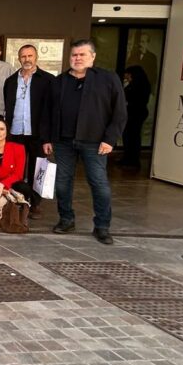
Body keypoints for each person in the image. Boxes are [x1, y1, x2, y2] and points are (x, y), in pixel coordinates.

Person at [42, 39, 128, 245]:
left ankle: (102, 226)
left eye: (82, 55)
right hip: (63, 141)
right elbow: (47, 112)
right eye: (74, 55)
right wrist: (46, 138)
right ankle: (66, 219)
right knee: (62, 183)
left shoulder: (107, 79)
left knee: (99, 184)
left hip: (95, 142)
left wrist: (110, 139)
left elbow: (120, 112)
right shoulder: (59, 81)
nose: (77, 58)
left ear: (93, 57)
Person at [3, 43, 54, 217]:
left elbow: (51, 111)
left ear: (36, 57)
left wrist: (48, 138)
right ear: (19, 58)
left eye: (30, 56)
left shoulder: (47, 80)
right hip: (15, 132)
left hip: (38, 133)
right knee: (15, 168)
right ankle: (18, 200)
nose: (27, 59)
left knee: (37, 169)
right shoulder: (10, 81)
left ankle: (35, 204)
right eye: (23, 56)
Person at [120, 65, 151, 169]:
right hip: (134, 113)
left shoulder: (139, 85)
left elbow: (130, 98)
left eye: (128, 74)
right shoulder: (138, 84)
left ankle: (131, 160)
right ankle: (128, 158)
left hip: (135, 114)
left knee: (132, 137)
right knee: (130, 137)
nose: (126, 77)